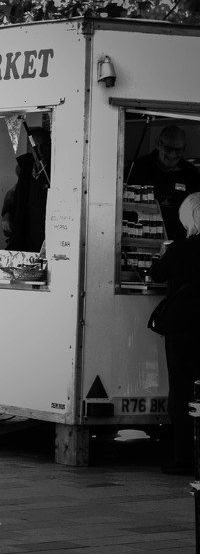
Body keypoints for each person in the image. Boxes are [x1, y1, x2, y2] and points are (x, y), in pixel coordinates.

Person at [150, 192, 200, 475]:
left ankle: (184, 457)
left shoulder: (181, 249)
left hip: (183, 328)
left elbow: (157, 273)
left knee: (182, 392)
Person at [126, 125, 200, 241]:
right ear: (158, 144)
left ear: (184, 148)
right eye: (168, 149)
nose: (172, 155)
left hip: (178, 241)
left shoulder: (190, 173)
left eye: (178, 150)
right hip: (141, 239)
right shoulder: (138, 168)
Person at [4, 126, 51, 252]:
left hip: (46, 237)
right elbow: (13, 193)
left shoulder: (56, 170)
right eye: (35, 146)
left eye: (45, 145)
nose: (40, 150)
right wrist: (7, 213)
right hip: (24, 235)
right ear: (29, 148)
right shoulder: (24, 168)